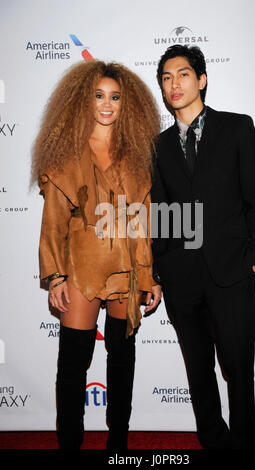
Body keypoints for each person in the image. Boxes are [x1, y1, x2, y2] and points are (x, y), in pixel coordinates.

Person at [31, 59, 162, 450]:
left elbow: (142, 223)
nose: (107, 104)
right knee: (72, 366)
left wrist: (149, 275)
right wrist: (54, 276)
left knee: (122, 363)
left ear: (128, 104)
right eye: (99, 96)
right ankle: (69, 444)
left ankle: (117, 447)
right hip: (82, 268)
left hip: (127, 270)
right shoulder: (65, 153)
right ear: (82, 101)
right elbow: (53, 221)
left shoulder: (138, 154)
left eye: (115, 97)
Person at [151, 45, 255, 449]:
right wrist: (159, 269)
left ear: (201, 79)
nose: (174, 84)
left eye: (183, 74)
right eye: (166, 78)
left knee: (239, 372)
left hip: (232, 274)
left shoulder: (237, 128)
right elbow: (161, 214)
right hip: (183, 282)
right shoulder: (159, 147)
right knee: (199, 374)